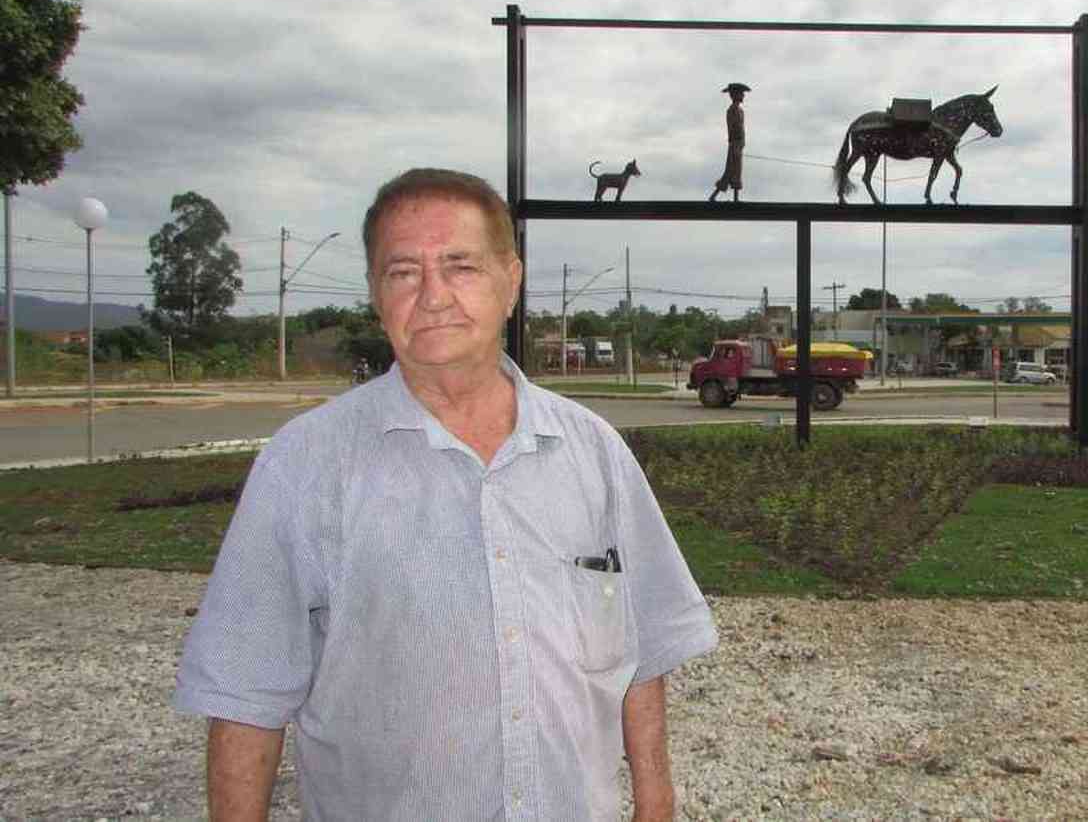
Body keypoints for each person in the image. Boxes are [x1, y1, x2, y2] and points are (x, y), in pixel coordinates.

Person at [173, 167, 718, 821]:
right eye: (403, 272)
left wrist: (655, 802)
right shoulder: (307, 464)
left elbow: (644, 644)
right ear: (377, 294)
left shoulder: (594, 452)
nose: (433, 296)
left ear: (510, 281)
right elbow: (243, 692)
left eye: (460, 266)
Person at [709, 82, 750, 202]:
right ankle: (714, 196)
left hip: (739, 144)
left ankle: (736, 198)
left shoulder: (740, 111)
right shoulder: (731, 110)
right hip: (734, 144)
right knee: (730, 170)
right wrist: (735, 145)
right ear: (735, 95)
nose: (743, 96)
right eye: (741, 93)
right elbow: (732, 129)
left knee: (737, 170)